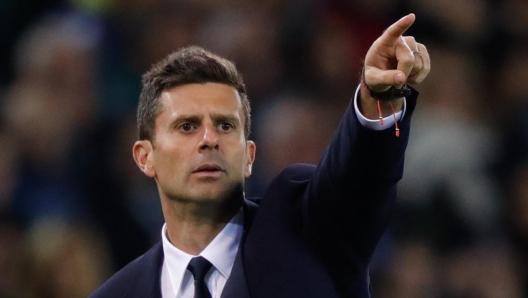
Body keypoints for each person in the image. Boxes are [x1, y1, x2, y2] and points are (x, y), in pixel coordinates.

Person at [90, 13, 430, 298]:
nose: (209, 139)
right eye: (187, 126)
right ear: (144, 157)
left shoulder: (306, 228)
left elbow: (358, 180)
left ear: (249, 155)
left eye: (225, 126)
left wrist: (378, 99)